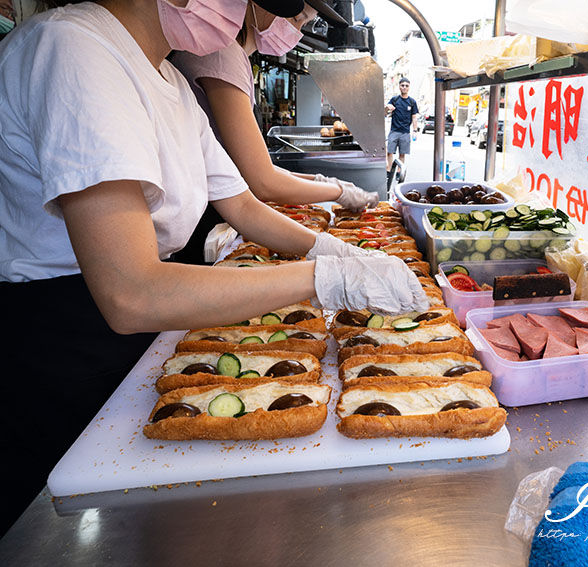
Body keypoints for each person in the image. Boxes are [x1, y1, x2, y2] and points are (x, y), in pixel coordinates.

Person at [0, 0, 426, 536]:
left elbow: (244, 206)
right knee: (59, 529)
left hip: (139, 318)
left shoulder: (171, 84)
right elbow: (129, 292)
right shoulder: (75, 48)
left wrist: (337, 252)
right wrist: (326, 279)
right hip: (61, 334)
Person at [170, 0, 378, 264]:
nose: (299, 31)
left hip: (209, 208)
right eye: (296, 18)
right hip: (199, 221)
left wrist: (322, 182)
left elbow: (253, 169)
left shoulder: (235, 57)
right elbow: (262, 181)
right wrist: (336, 192)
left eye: (306, 23)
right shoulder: (222, 54)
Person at [385, 77, 418, 188]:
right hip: (394, 130)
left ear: (409, 87)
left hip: (405, 132)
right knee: (389, 151)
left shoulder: (412, 102)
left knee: (402, 154)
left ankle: (399, 171)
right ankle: (388, 170)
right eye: (402, 85)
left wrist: (415, 130)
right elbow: (386, 110)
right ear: (399, 86)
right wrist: (387, 107)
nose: (404, 87)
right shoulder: (394, 100)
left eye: (406, 85)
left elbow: (414, 117)